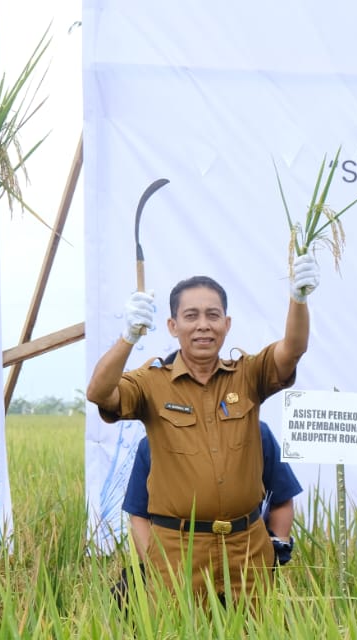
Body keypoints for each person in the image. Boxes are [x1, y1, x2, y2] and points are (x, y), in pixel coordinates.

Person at [85, 253, 318, 601]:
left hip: (247, 549)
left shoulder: (249, 374)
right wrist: (128, 336)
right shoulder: (152, 382)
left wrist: (298, 300)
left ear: (227, 323)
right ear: (172, 326)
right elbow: (99, 392)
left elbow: (292, 351)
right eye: (190, 316)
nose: (203, 325)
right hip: (178, 552)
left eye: (212, 315)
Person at [124, 421, 303, 568]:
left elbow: (281, 498)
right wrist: (155, 566)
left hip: (245, 560)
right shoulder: (152, 444)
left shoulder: (256, 434)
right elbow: (139, 515)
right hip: (179, 562)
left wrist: (275, 551)